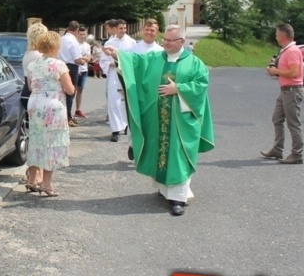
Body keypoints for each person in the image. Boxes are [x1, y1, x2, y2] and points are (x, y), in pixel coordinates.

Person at [106, 24, 214, 216]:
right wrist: (117, 54)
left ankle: (178, 198)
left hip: (181, 122)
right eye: (164, 40)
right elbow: (136, 63)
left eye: (170, 41)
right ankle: (164, 190)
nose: (166, 44)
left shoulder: (194, 63)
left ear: (182, 41)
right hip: (158, 118)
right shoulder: (156, 57)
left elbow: (201, 85)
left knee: (177, 154)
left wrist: (179, 89)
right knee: (160, 150)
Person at [25, 31, 75, 197]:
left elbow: (31, 87)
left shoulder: (32, 65)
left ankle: (32, 180)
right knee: (51, 143)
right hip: (52, 107)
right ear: (55, 47)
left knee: (36, 140)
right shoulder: (58, 65)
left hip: (35, 104)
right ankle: (46, 184)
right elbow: (69, 89)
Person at [261, 24, 304, 165]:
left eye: (276, 34)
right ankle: (277, 149)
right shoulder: (286, 50)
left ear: (282, 36)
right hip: (286, 90)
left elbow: (294, 72)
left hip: (292, 90)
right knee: (277, 119)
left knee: (293, 123)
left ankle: (297, 154)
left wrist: (276, 72)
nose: (275, 37)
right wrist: (275, 69)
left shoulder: (291, 51)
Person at [21, 22, 48, 191]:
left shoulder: (28, 53)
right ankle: (34, 174)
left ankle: (33, 173)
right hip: (34, 95)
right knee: (39, 138)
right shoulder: (38, 56)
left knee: (34, 136)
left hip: (26, 94)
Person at [100, 19, 136, 141]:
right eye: (120, 28)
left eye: (124, 28)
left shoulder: (131, 42)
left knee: (125, 101)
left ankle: (126, 124)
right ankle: (115, 130)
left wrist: (122, 64)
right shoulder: (110, 42)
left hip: (126, 74)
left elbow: (133, 59)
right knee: (113, 102)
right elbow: (103, 60)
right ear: (116, 28)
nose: (123, 30)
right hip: (113, 75)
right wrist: (110, 64)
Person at [58, 21, 84, 127]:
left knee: (61, 92)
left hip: (60, 66)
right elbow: (77, 60)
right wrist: (86, 60)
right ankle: (68, 117)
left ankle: (66, 116)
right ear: (77, 30)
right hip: (71, 67)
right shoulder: (73, 41)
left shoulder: (61, 39)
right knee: (70, 93)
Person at [74, 27, 93, 118]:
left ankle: (78, 109)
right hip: (75, 69)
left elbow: (89, 59)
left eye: (83, 34)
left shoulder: (87, 45)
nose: (82, 36)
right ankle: (68, 110)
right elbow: (75, 58)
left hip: (84, 70)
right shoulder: (75, 44)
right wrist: (83, 57)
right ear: (77, 34)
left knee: (80, 90)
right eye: (80, 34)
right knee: (71, 90)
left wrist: (83, 58)